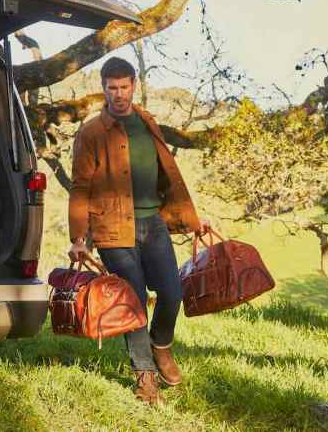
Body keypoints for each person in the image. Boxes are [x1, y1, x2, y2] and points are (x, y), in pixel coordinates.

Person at [67, 57, 210, 405]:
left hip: (152, 223)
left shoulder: (147, 121)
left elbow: (168, 175)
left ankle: (161, 346)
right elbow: (80, 187)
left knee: (172, 292)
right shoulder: (91, 132)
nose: (118, 94)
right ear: (103, 88)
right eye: (111, 87)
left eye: (124, 86)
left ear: (133, 85)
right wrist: (78, 238)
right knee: (132, 303)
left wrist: (191, 219)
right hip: (112, 230)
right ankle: (145, 378)